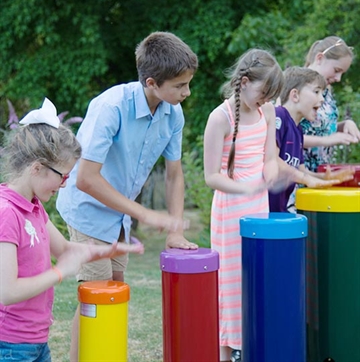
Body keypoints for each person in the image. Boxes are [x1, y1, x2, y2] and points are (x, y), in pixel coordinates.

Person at [55, 31, 199, 361]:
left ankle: (103, 354)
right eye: (179, 85)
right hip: (87, 209)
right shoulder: (110, 107)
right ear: (152, 82)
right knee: (97, 294)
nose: (187, 92)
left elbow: (175, 174)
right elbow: (87, 180)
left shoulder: (172, 114)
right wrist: (145, 214)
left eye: (187, 83)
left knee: (114, 289)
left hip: (118, 214)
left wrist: (174, 231)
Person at [0, 98, 144, 362]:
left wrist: (108, 250)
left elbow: (65, 249)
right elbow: (7, 291)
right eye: (62, 176)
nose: (65, 184)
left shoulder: (33, 208)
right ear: (37, 168)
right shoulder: (6, 213)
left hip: (36, 341)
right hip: (11, 345)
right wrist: (59, 272)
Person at [203, 48, 287, 362]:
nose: (266, 100)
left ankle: (252, 347)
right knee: (230, 284)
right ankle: (225, 353)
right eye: (264, 92)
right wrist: (244, 187)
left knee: (256, 278)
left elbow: (269, 158)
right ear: (244, 82)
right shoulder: (219, 117)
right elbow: (212, 176)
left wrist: (270, 176)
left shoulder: (267, 112)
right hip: (229, 211)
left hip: (258, 207)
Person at [269, 66, 354, 212]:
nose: (322, 99)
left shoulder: (298, 130)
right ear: (295, 95)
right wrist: (305, 179)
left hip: (280, 210)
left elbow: (303, 172)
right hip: (263, 209)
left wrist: (325, 178)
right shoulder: (279, 116)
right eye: (316, 92)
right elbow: (273, 160)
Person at [301, 36, 360, 172]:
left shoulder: (326, 90)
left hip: (321, 174)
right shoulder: (296, 86)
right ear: (320, 58)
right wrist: (328, 140)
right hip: (297, 177)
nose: (338, 79)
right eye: (336, 70)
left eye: (342, 74)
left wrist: (344, 125)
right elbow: (284, 137)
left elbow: (320, 129)